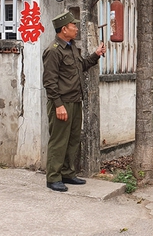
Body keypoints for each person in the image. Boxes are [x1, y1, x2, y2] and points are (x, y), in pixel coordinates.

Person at [42, 11, 106, 192]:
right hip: (61, 103)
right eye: (73, 26)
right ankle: (53, 177)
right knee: (59, 140)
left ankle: (67, 173)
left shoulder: (71, 48)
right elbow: (49, 82)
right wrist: (58, 105)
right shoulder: (53, 51)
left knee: (73, 139)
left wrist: (95, 55)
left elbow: (81, 67)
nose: (76, 29)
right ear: (64, 29)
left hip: (75, 101)